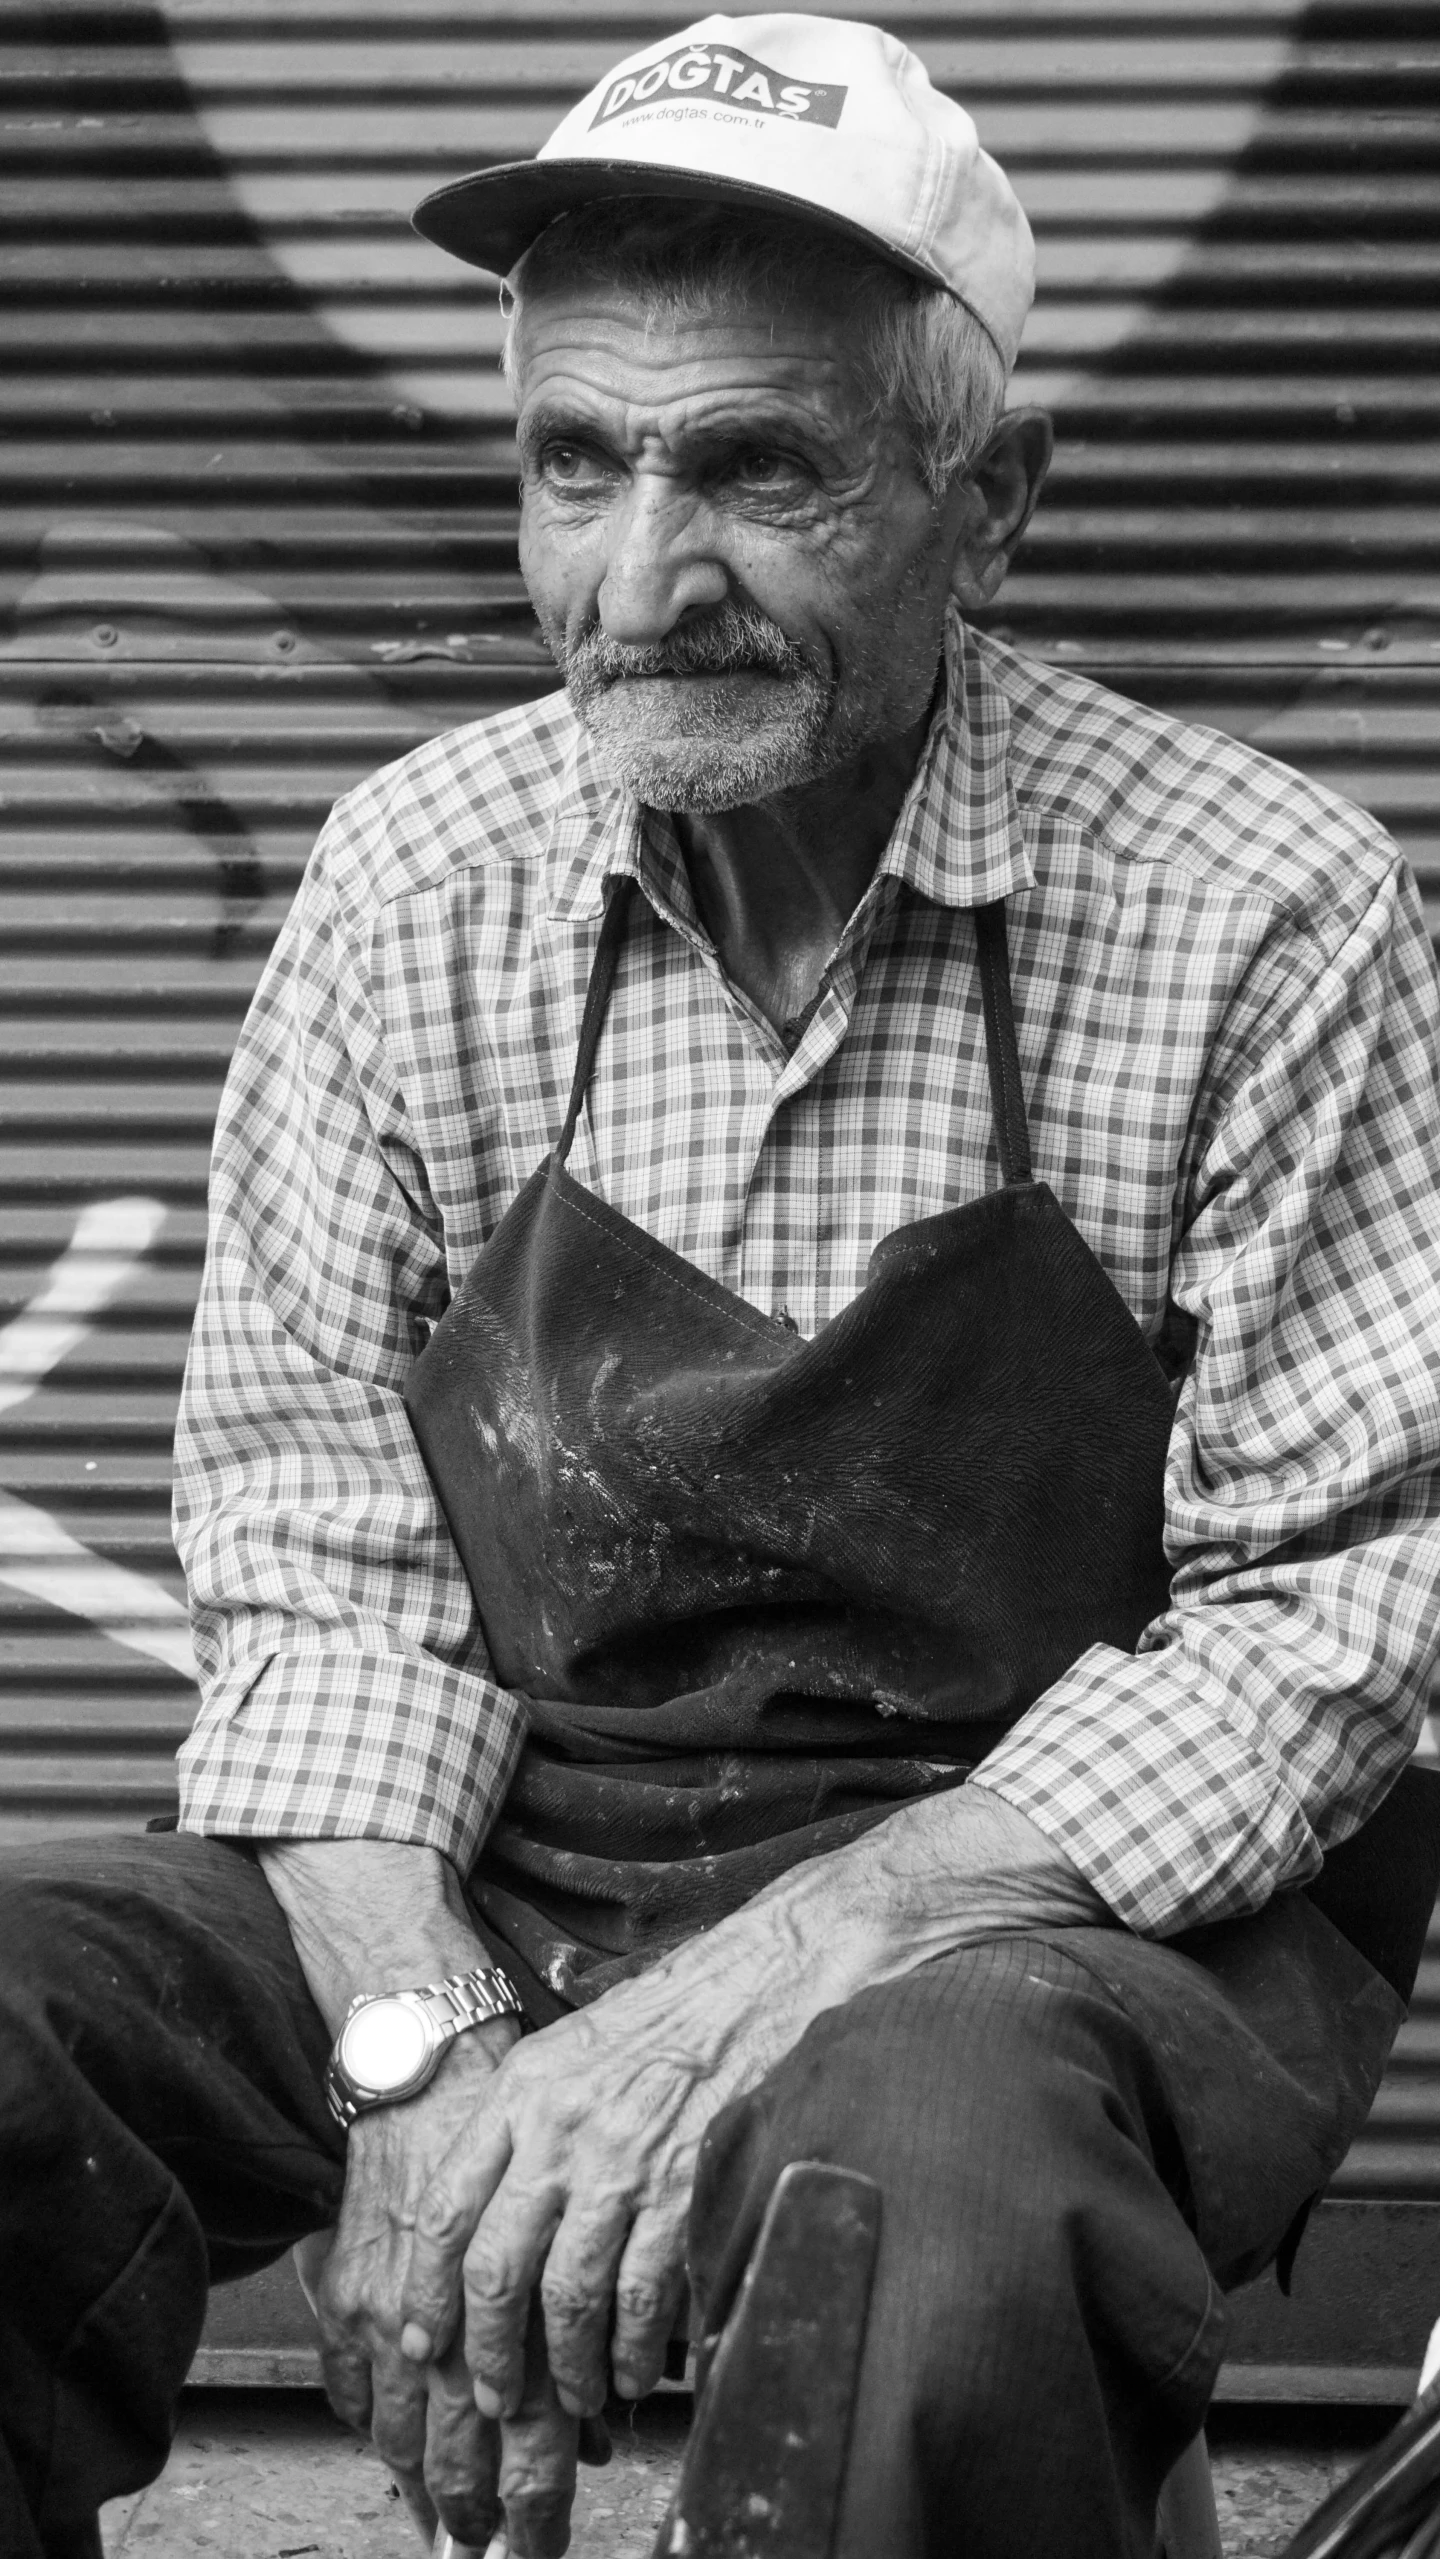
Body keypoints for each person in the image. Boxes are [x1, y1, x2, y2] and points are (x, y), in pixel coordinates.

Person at [4, 14, 1440, 2557]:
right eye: (577, 463)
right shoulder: (412, 884)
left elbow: (1337, 1610)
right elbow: (317, 1551)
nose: (639, 582)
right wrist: (420, 2062)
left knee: (939, 2181)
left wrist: (766, 1976)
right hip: (527, 1851)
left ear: (990, 501)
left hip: (1026, 1907)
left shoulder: (1264, 912)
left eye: (757, 471)